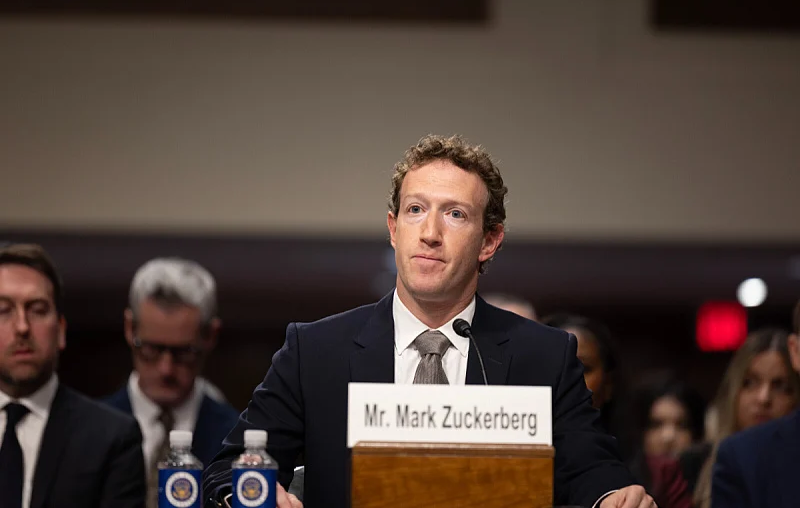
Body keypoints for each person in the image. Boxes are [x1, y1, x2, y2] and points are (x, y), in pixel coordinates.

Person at [202, 134, 652, 508]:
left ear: (490, 240)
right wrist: (253, 496)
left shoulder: (545, 356)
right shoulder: (316, 351)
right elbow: (229, 468)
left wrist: (613, 497)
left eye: (455, 214)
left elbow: (592, 469)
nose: (430, 233)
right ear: (393, 228)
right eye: (415, 210)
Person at [0, 243, 145, 508]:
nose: (22, 327)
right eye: (3, 310)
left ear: (61, 330)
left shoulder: (111, 437)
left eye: (37, 310)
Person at [105, 257, 239, 508]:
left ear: (210, 336)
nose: (166, 369)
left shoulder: (236, 441)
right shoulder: (89, 431)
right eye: (151, 349)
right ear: (129, 328)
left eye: (184, 352)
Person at [687, 328, 800, 508]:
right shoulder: (691, 466)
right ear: (733, 389)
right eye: (750, 383)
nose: (763, 398)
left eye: (780, 386)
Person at [625, 375, 706, 508]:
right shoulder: (621, 488)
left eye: (681, 425)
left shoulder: (711, 484)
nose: (668, 437)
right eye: (656, 425)